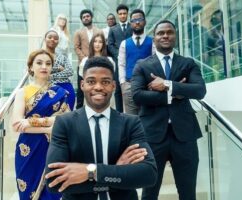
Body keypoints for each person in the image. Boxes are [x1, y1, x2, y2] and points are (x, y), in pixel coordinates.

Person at [45, 56, 158, 200]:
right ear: (82, 85)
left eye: (105, 82)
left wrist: (91, 171)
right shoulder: (64, 123)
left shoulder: (131, 123)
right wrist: (117, 172)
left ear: (113, 86)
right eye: (91, 81)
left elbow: (149, 174)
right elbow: (54, 181)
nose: (98, 87)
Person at [131, 19, 206, 200]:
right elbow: (137, 96)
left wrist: (165, 84)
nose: (165, 35)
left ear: (175, 37)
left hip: (185, 136)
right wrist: (176, 92)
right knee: (149, 192)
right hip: (152, 136)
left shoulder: (188, 63)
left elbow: (199, 90)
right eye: (160, 33)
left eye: (169, 32)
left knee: (188, 192)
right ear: (154, 38)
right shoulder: (142, 65)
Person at [12, 49, 70, 200]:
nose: (44, 66)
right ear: (31, 67)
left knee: (52, 190)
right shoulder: (22, 92)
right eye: (39, 63)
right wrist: (49, 127)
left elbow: (65, 120)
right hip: (27, 148)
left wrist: (30, 122)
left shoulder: (60, 92)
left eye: (48, 63)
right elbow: (16, 125)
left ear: (52, 68)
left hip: (54, 146)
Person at [118, 9, 153, 115]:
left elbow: (156, 63)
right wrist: (123, 83)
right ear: (130, 23)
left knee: (149, 117)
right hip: (129, 86)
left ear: (145, 22)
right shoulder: (124, 43)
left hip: (149, 87)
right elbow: (121, 64)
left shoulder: (152, 42)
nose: (137, 22)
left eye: (140, 19)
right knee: (131, 119)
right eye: (134, 20)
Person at [74, 9, 102, 109]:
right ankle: (79, 110)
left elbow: (102, 45)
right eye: (84, 17)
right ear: (82, 20)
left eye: (87, 16)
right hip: (83, 64)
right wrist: (84, 59)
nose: (86, 18)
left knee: (95, 86)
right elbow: (76, 47)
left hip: (96, 63)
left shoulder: (99, 31)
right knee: (81, 89)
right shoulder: (78, 32)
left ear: (91, 17)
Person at [107, 4, 132, 112]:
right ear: (118, 15)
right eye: (120, 14)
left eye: (124, 13)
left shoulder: (132, 27)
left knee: (132, 85)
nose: (122, 16)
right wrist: (119, 54)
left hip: (132, 60)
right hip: (118, 61)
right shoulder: (113, 29)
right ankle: (119, 112)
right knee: (117, 88)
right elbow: (110, 45)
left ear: (127, 14)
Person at [44, 29, 75, 111]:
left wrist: (51, 75)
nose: (52, 39)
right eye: (49, 37)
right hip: (49, 88)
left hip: (66, 86)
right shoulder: (39, 55)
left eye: (55, 38)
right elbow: (38, 71)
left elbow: (70, 71)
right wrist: (59, 68)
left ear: (58, 41)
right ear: (45, 39)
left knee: (67, 116)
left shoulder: (62, 57)